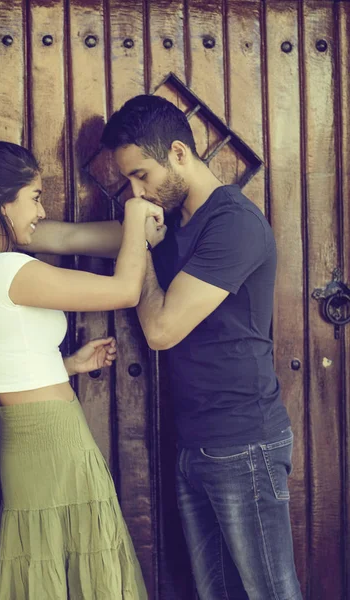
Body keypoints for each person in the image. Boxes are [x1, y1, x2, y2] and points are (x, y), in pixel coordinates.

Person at [97, 95, 303, 600]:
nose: (136, 192)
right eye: (129, 182)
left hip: (244, 444)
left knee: (270, 593)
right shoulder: (171, 221)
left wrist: (139, 246)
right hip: (196, 443)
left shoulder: (231, 223)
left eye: (141, 175)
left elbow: (161, 330)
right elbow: (90, 237)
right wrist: (16, 234)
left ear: (179, 153)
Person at [0, 137, 165, 600]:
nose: (40, 209)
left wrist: (66, 366)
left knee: (49, 566)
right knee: (80, 570)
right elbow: (123, 291)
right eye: (34, 197)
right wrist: (135, 216)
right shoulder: (8, 270)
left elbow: (7, 360)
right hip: (52, 441)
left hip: (33, 437)